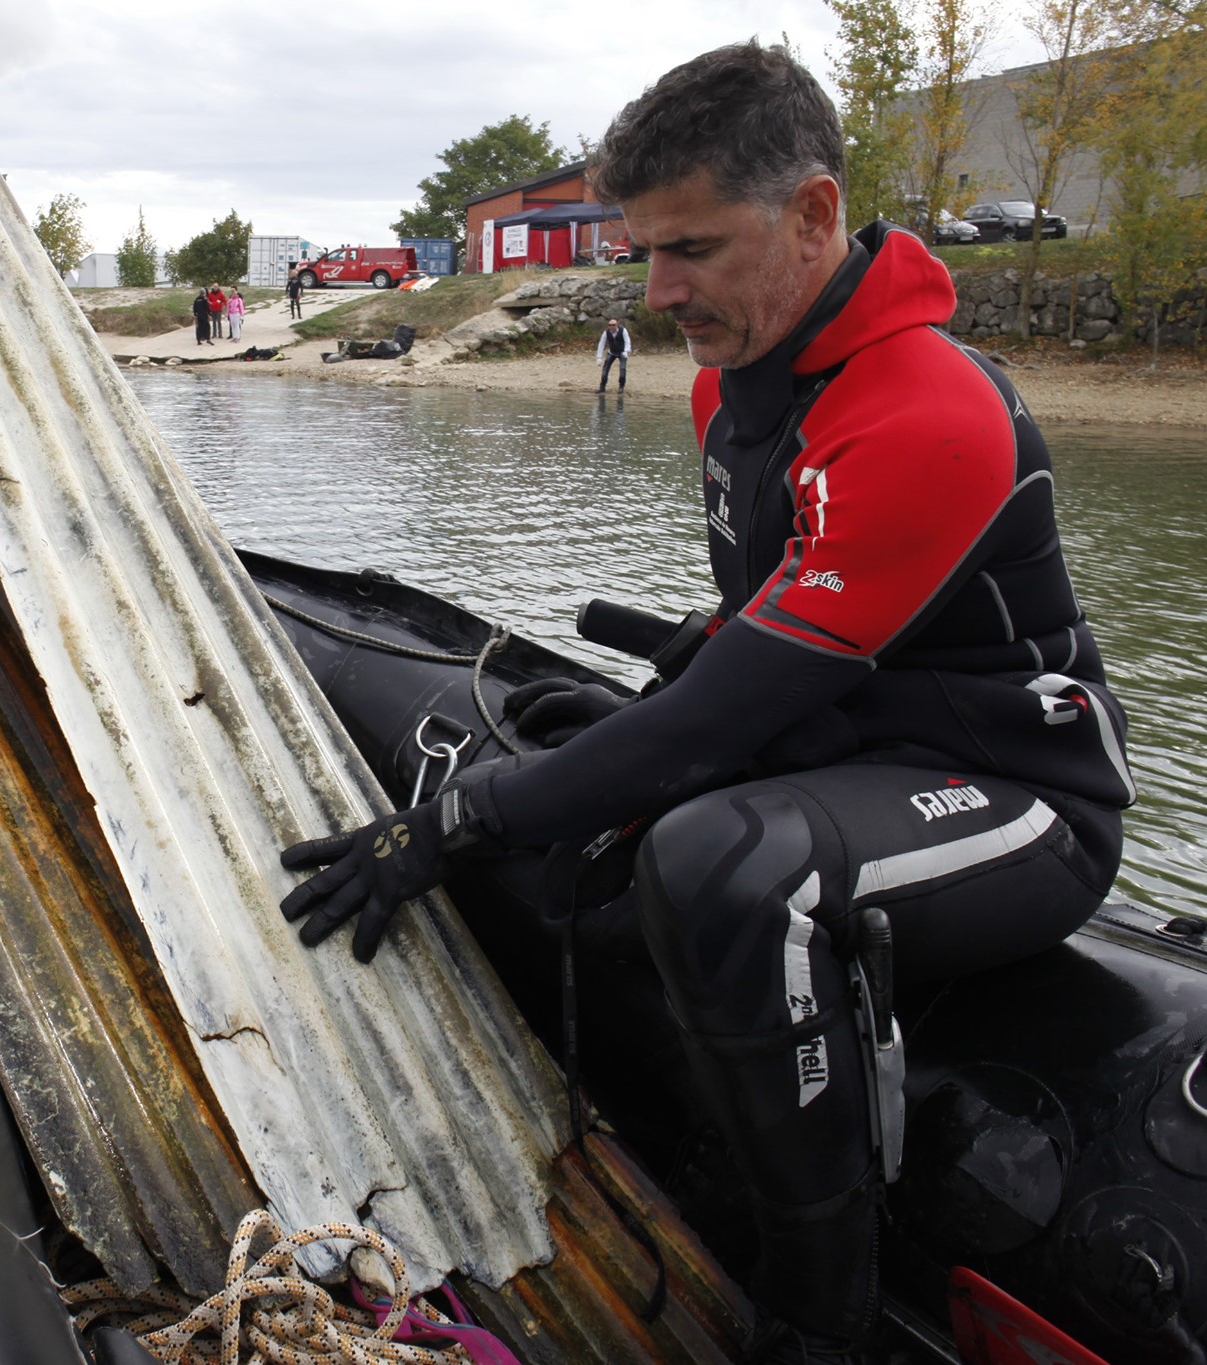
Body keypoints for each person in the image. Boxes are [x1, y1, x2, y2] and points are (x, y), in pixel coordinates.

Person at [276, 40, 1131, 1365]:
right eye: (646, 250)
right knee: (612, 839)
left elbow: (721, 718)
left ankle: (820, 1318)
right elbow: (753, 636)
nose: (659, 288)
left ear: (813, 213)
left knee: (727, 869)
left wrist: (448, 827)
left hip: (1022, 795)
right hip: (853, 744)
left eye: (695, 250)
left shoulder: (927, 410)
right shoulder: (730, 386)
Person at [595, 316, 631, 392]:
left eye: (614, 325)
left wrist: (626, 351)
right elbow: (601, 344)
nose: (612, 327)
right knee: (605, 370)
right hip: (612, 352)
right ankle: (602, 387)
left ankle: (621, 387)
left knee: (622, 369)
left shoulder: (623, 330)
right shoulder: (606, 332)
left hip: (622, 352)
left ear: (617, 325)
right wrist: (599, 357)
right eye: (610, 325)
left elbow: (627, 341)